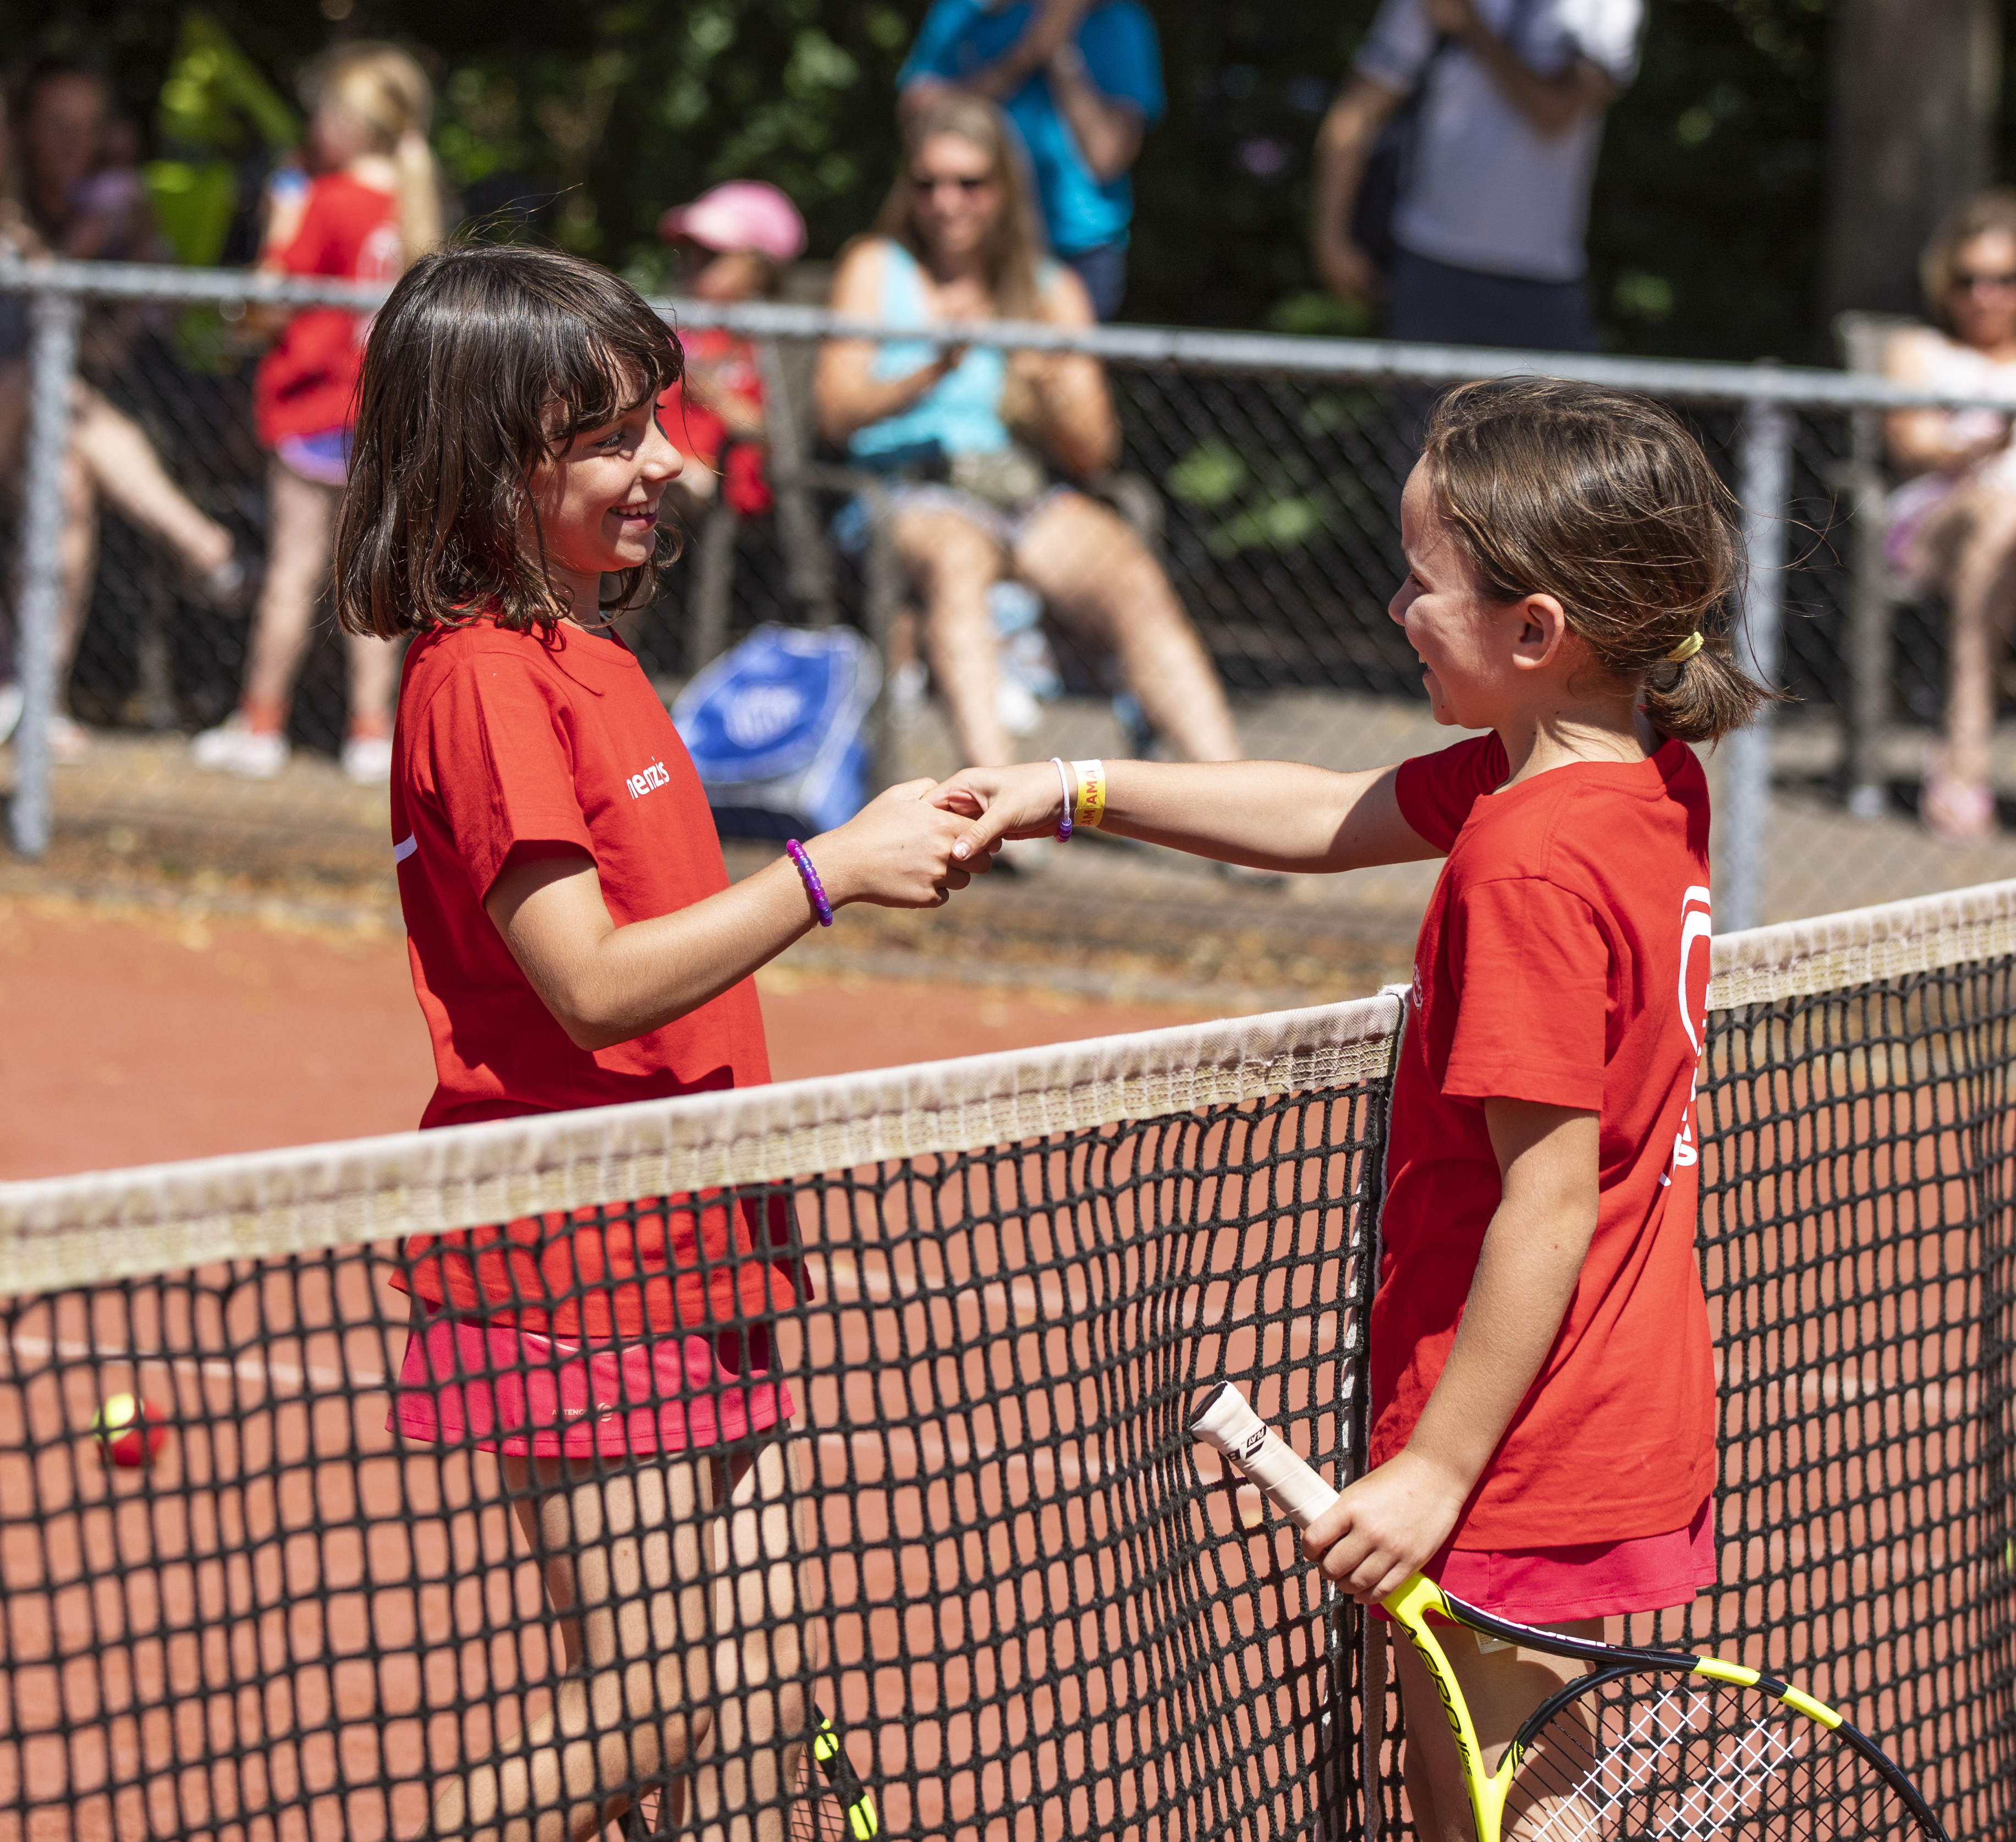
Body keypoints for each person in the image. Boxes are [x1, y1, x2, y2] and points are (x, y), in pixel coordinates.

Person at [930, 377, 1773, 1836]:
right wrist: (1072, 785)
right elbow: (1326, 814)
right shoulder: (1638, 777)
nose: (1393, 606)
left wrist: (1437, 1469)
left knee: (1507, 1799)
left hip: (1522, 1435)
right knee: (1485, 1794)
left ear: (1534, 632)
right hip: (1595, 1403)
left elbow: (1548, 1193)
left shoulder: (1523, 862)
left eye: (1420, 582)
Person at [334, 240, 987, 1838]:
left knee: (752, 1721)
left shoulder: (597, 658)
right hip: (574, 1261)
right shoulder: (480, 683)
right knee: (655, 1704)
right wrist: (830, 871)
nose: (668, 465)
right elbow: (596, 983)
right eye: (616, 434)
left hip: (703, 1240)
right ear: (497, 461)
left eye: (659, 423)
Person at [812, 92, 1242, 783]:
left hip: (1018, 490)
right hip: (904, 491)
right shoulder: (875, 266)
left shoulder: (1049, 287)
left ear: (1003, 190)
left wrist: (1047, 391)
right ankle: (997, 804)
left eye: (968, 184)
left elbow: (1094, 454)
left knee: (1129, 574)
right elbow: (832, 414)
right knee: (959, 558)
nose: (945, 202)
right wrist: (931, 368)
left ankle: (1234, 805)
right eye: (927, 184)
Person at [193, 43, 441, 783]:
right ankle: (370, 735)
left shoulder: (329, 199)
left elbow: (270, 300)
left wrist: (279, 226)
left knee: (294, 570)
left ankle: (260, 722)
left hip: (316, 410)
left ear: (353, 122)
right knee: (373, 575)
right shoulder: (414, 202)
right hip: (381, 416)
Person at [0, 54, 247, 758]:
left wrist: (129, 245)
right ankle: (202, 543)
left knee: (68, 482)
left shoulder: (89, 210)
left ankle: (32, 694)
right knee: (54, 389)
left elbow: (139, 330)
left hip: (30, 436)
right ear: (21, 132)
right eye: (55, 128)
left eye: (87, 127)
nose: (72, 146)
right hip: (19, 404)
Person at [1311, 0, 1644, 351]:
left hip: (1546, 280)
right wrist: (1332, 239)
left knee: (1566, 409)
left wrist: (1471, 26)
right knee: (1425, 410)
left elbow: (1555, 112)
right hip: (1430, 270)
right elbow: (1356, 115)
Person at [1882, 189, 2016, 844]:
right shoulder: (1917, 348)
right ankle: (1962, 761)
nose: (1983, 295)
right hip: (1938, 518)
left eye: (2002, 279)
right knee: (1994, 520)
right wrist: (1981, 444)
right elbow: (1910, 445)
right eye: (1968, 280)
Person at [897, 0, 1162, 320]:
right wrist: (1025, 54)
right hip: (973, 247)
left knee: (1057, 368)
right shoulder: (967, 11)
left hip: (1075, 252)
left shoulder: (1119, 22)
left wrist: (1060, 51)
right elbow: (919, 121)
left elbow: (1106, 157)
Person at [656, 179, 808, 523]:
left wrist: (714, 394)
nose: (691, 266)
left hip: (722, 484)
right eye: (690, 252)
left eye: (712, 256)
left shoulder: (769, 348)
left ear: (759, 271)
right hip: (663, 465)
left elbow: (777, 434)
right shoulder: (675, 330)